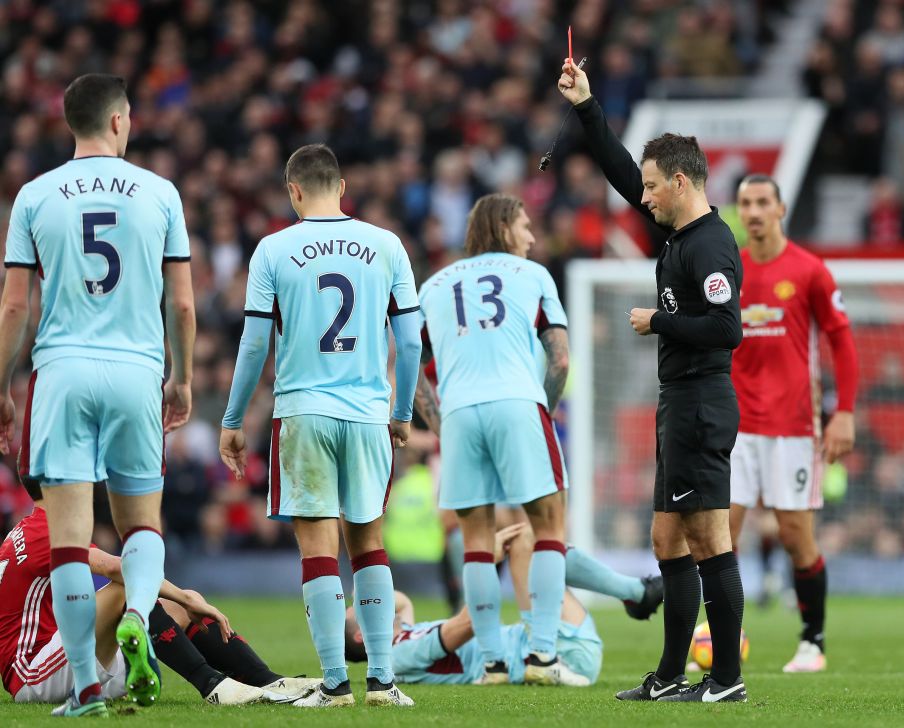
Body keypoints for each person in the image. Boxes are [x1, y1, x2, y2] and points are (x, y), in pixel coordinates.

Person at [0, 74, 195, 717]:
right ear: (119, 121)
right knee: (142, 524)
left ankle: (84, 686)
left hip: (60, 372)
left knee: (68, 539)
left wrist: (3, 386)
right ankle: (137, 613)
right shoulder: (160, 192)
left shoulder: (34, 196)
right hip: (137, 368)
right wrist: (183, 376)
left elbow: (15, 307)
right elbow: (184, 302)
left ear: (70, 123)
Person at [558, 61, 748, 703]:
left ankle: (725, 679)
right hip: (680, 400)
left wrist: (660, 320)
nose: (642, 197)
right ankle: (670, 675)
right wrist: (587, 108)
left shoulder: (711, 245)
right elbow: (617, 174)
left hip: (702, 401)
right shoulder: (674, 232)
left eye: (651, 187)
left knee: (708, 536)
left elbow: (727, 328)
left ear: (681, 181)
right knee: (666, 537)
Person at [218, 143, 421, 709]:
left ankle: (335, 684)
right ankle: (381, 681)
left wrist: (232, 420)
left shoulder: (272, 250)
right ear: (343, 185)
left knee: (317, 549)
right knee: (370, 543)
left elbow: (255, 341)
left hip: (303, 412)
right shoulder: (386, 245)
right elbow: (409, 341)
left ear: (294, 191)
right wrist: (401, 413)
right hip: (366, 413)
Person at [414, 193, 571, 686]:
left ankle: (493, 663)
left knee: (476, 541)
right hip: (516, 402)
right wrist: (541, 406)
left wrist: (439, 425)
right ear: (504, 227)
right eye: (524, 226)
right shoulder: (534, 275)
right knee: (548, 526)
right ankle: (543, 655)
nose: (531, 236)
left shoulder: (434, 285)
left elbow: (411, 368)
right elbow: (561, 358)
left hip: (459, 412)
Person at [1, 479, 321, 706]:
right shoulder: (48, 529)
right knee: (131, 589)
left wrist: (183, 598)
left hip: (55, 658)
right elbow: (120, 569)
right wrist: (185, 596)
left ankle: (266, 680)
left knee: (170, 604)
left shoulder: (31, 526)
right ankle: (212, 685)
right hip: (32, 673)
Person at [730, 174, 858, 673]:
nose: (755, 211)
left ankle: (813, 642)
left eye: (763, 202)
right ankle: (723, 634)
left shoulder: (809, 271)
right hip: (737, 425)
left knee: (794, 534)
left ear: (781, 209)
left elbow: (842, 342)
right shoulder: (728, 272)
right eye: (746, 203)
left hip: (793, 427)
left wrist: (843, 411)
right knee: (722, 532)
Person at [344, 524, 664, 686]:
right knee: (528, 540)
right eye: (362, 608)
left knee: (535, 540)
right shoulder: (397, 655)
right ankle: (635, 592)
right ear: (362, 636)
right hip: (556, 656)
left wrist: (370, 600)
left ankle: (635, 593)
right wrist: (487, 564)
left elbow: (400, 600)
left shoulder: (404, 636)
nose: (371, 603)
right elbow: (469, 623)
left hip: (555, 647)